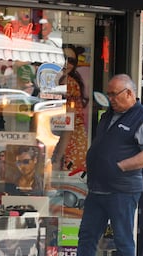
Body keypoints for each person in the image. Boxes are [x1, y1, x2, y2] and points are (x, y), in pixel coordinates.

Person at [51, 74, 143, 256]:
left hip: (122, 189)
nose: (110, 98)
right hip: (98, 187)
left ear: (129, 93)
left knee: (122, 238)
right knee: (87, 236)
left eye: (114, 94)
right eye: (108, 94)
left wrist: (119, 166)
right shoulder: (109, 114)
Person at [51, 44, 89, 172]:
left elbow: (68, 123)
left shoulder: (69, 84)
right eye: (63, 58)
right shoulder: (56, 81)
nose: (67, 64)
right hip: (63, 137)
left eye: (71, 61)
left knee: (66, 183)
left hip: (71, 141)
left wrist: (58, 155)